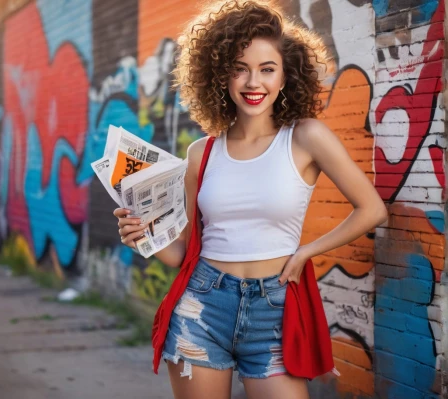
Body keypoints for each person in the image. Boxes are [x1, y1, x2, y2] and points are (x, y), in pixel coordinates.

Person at [114, 1, 388, 398]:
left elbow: (372, 210)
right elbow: (188, 250)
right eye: (239, 68)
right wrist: (143, 237)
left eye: (266, 69)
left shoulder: (306, 137)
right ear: (220, 75)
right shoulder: (200, 154)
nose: (252, 82)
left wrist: (306, 252)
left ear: (285, 75)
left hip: (274, 309)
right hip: (202, 307)